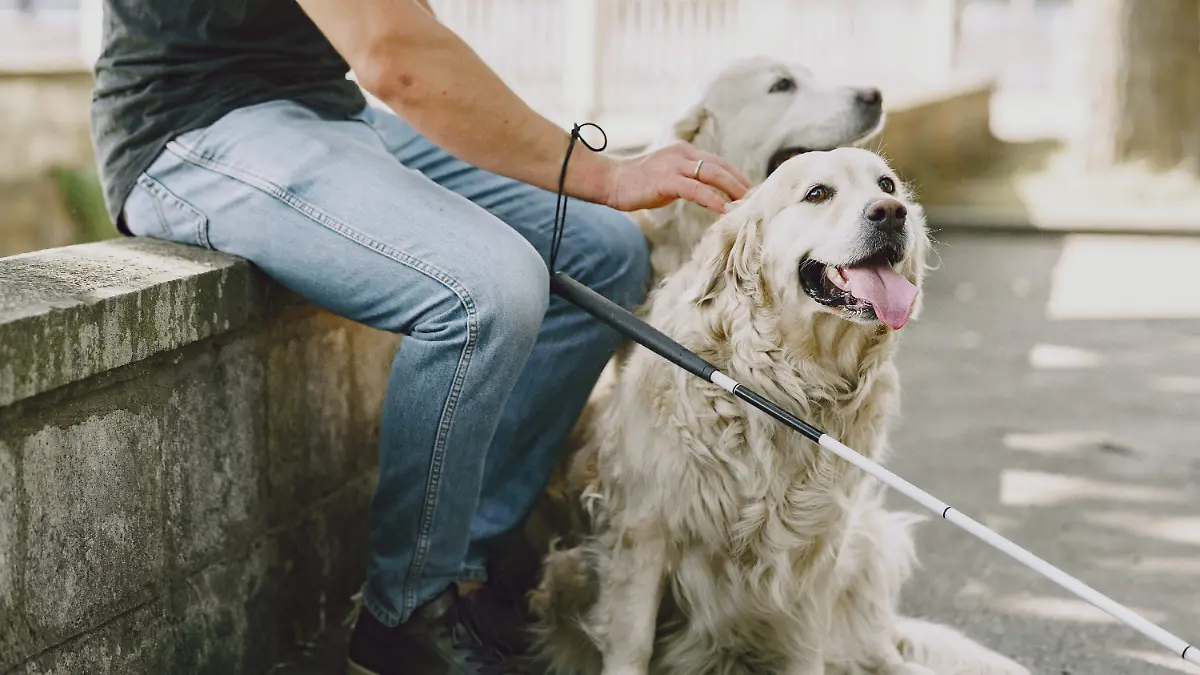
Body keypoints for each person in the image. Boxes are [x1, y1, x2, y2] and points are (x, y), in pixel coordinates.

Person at [90, 0, 750, 673]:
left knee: (604, 250)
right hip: (194, 123)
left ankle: (466, 571)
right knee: (486, 288)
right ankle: (406, 614)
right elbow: (395, 57)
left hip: (325, 106)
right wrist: (607, 174)